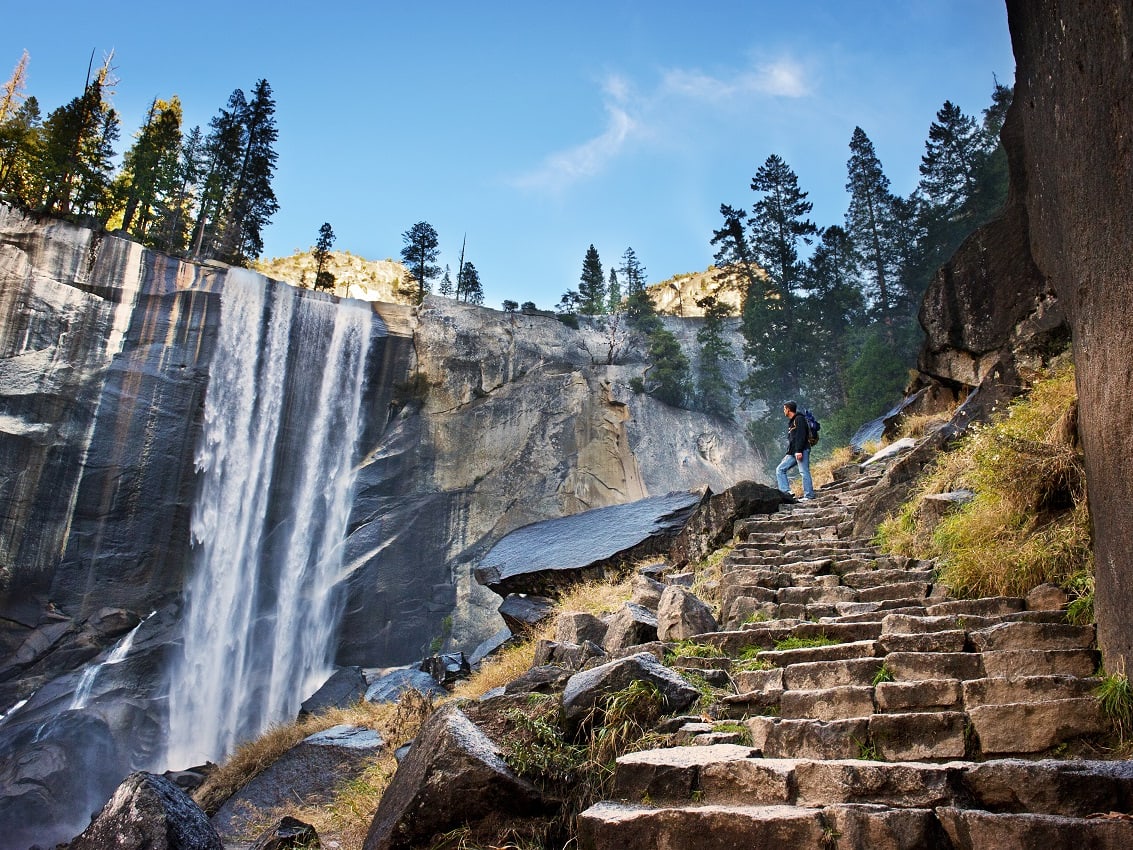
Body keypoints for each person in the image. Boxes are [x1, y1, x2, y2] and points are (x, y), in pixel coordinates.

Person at [776, 400, 815, 500]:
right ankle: (786, 493)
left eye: (784, 409)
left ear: (788, 409)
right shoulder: (792, 422)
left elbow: (801, 436)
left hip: (801, 450)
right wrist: (789, 453)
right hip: (793, 452)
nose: (783, 411)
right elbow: (793, 440)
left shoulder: (799, 419)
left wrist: (799, 450)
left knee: (804, 472)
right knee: (780, 469)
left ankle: (809, 495)